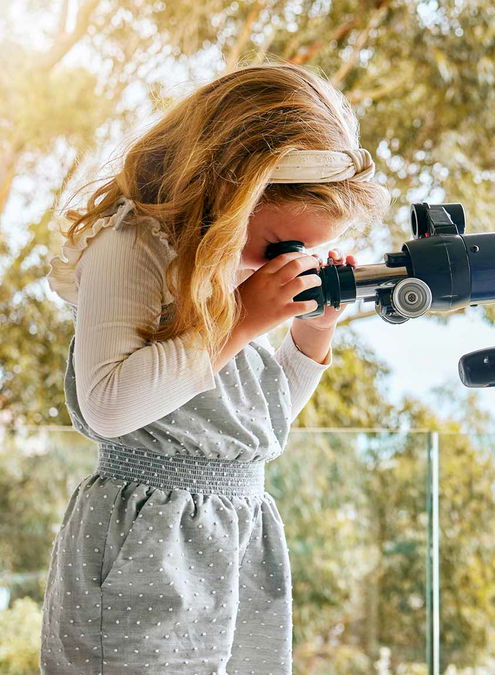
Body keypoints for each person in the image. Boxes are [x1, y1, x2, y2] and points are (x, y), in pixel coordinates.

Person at [39, 62, 388, 672]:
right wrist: (243, 322)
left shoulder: (230, 267)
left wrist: (311, 333)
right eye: (281, 246)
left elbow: (249, 421)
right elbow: (110, 405)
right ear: (228, 194)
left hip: (236, 539)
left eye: (304, 252)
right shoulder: (132, 248)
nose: (285, 264)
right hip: (145, 540)